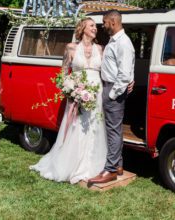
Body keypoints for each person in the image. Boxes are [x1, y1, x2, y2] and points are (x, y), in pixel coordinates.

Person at [29, 18, 107, 184]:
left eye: (96, 26)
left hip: (96, 92)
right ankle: (71, 164)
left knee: (94, 127)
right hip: (77, 93)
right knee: (76, 126)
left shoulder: (100, 49)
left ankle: (92, 165)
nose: (95, 29)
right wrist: (71, 90)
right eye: (92, 25)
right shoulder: (71, 48)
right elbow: (64, 73)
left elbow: (107, 73)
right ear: (83, 28)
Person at [89, 10, 135, 184]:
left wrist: (113, 94)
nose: (103, 25)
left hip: (113, 91)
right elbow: (126, 67)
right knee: (113, 129)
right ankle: (118, 165)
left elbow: (123, 74)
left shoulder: (123, 42)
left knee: (113, 131)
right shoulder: (115, 41)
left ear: (113, 21)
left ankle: (110, 170)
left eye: (105, 22)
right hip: (110, 87)